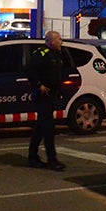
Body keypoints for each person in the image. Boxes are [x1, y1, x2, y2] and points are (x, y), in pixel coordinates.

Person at [26, 31, 67, 171]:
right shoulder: (41, 54)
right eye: (59, 40)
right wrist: (39, 85)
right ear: (50, 41)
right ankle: (52, 159)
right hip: (43, 96)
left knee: (40, 127)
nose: (61, 42)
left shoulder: (57, 54)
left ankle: (32, 156)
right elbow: (29, 70)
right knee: (48, 128)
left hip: (52, 96)